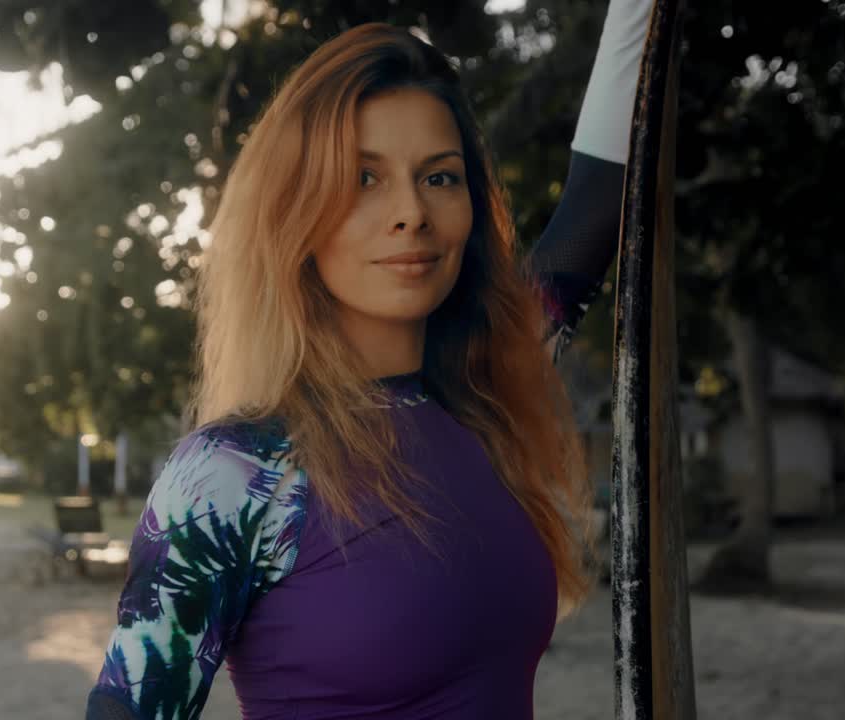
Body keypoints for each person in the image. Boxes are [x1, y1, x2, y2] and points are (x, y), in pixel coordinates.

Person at [87, 2, 652, 718]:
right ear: (298, 211)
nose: (411, 211)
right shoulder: (234, 473)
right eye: (364, 177)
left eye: (440, 177)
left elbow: (598, 203)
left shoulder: (484, 395)